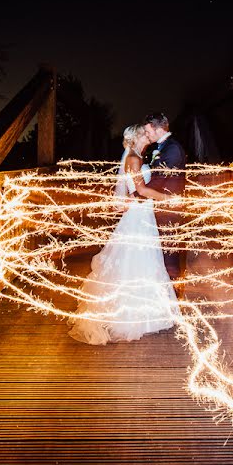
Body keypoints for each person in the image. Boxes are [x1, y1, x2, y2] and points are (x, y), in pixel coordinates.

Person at [67, 124, 180, 345]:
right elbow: (141, 190)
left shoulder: (135, 156)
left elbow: (133, 191)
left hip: (141, 212)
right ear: (137, 137)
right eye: (144, 133)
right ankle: (134, 316)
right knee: (139, 260)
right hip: (139, 215)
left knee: (142, 260)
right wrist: (168, 199)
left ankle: (145, 315)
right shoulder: (134, 159)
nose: (148, 135)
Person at [139, 112, 188, 287]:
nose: (147, 135)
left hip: (170, 211)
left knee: (170, 256)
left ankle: (174, 295)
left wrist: (137, 194)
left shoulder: (172, 149)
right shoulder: (164, 147)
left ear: (158, 129)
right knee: (165, 254)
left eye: (148, 131)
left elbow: (159, 179)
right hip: (162, 207)